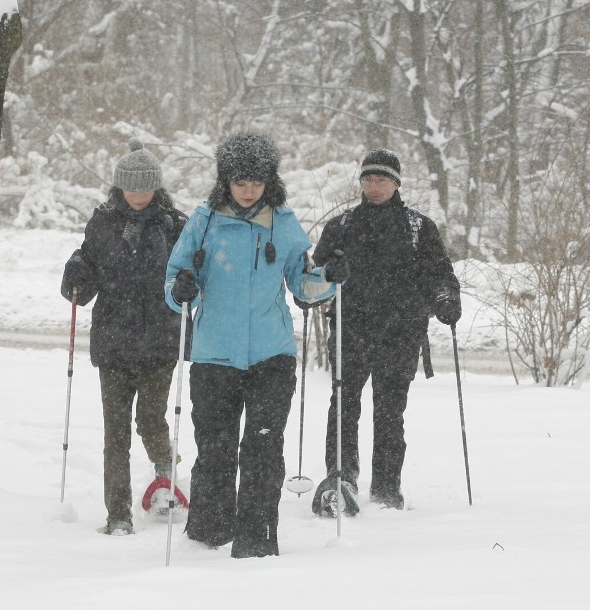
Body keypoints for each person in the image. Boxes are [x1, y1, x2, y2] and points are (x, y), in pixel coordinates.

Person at [164, 131, 343, 558]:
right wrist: (182, 288)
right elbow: (173, 282)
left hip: (271, 356)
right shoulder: (203, 221)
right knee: (216, 448)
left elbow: (303, 282)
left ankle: (257, 541)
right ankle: (209, 535)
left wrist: (330, 277)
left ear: (269, 181)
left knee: (263, 450)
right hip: (214, 356)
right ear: (225, 180)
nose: (248, 190)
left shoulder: (283, 222)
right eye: (240, 181)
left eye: (257, 182)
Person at [308, 148, 461, 517]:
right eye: (368, 179)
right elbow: (311, 285)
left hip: (401, 332)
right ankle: (341, 478)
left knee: (390, 412)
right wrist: (330, 272)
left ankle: (387, 488)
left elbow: (440, 273)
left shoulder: (418, 227)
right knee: (344, 406)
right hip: (350, 329)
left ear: (396, 183)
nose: (374, 186)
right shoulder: (341, 226)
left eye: (381, 180)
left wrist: (445, 297)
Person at [60, 138, 189, 537]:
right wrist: (76, 276)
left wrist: (189, 281)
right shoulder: (102, 222)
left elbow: (191, 274)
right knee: (114, 431)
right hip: (114, 341)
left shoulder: (175, 224)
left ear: (156, 187)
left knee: (150, 419)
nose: (138, 195)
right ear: (119, 186)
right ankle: (118, 514)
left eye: (145, 187)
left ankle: (166, 476)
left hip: (159, 341)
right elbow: (89, 269)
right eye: (131, 188)